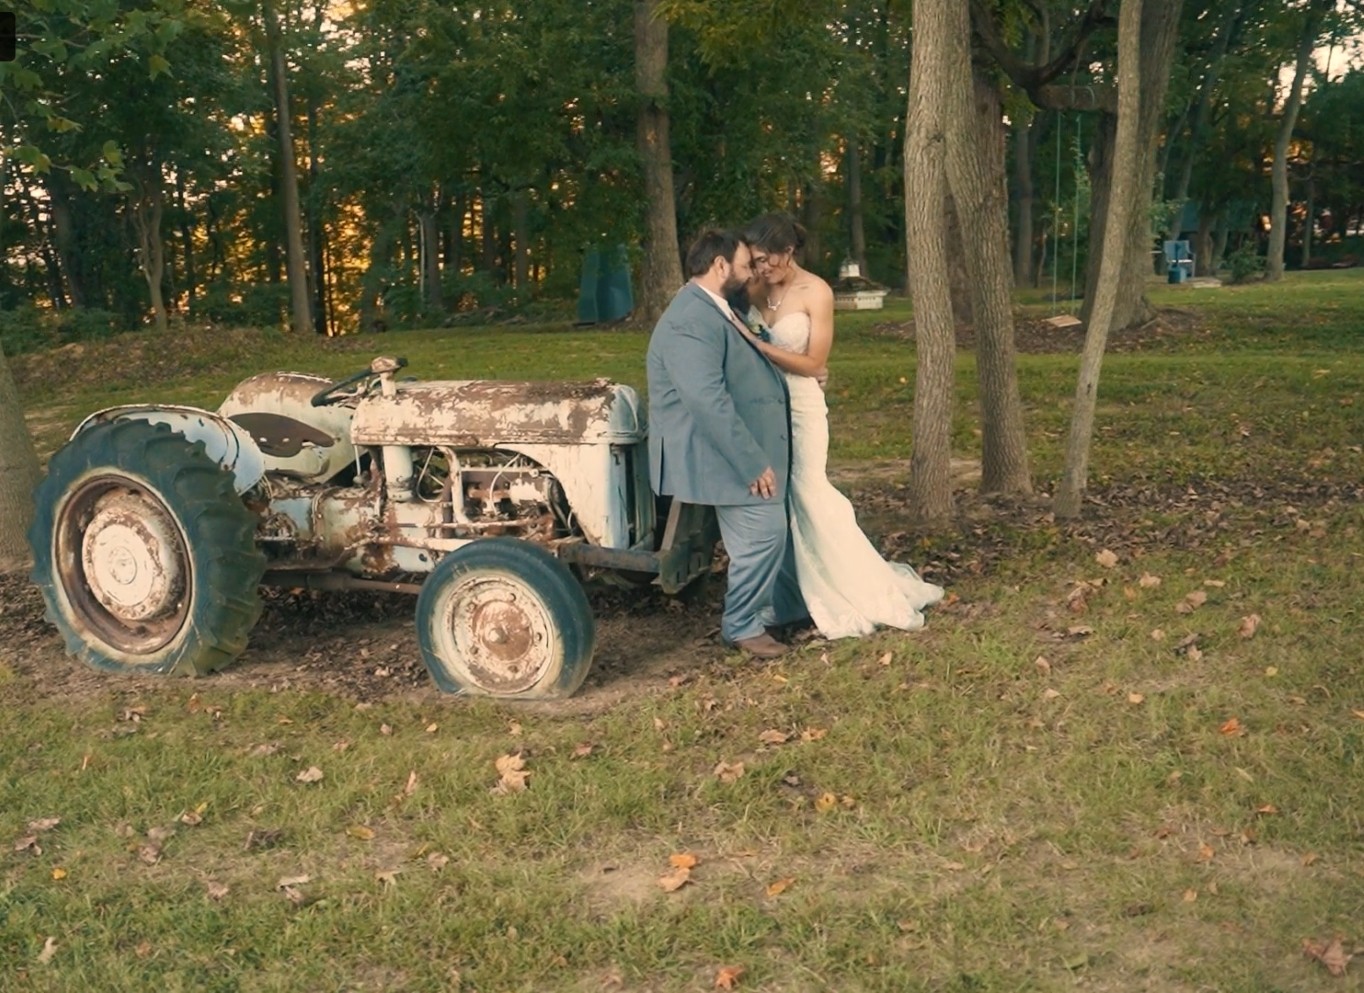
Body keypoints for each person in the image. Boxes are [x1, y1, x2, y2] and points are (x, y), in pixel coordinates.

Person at [738, 212, 944, 639]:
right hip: (764, 409)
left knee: (809, 490)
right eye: (754, 262)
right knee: (782, 500)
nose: (760, 269)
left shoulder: (817, 292)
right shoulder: (755, 288)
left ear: (787, 252)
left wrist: (760, 347)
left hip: (802, 407)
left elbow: (814, 363)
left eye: (765, 260)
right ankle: (792, 594)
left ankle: (853, 588)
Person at [646, 228, 808, 659]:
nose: (752, 273)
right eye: (744, 266)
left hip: (738, 447)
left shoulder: (718, 308)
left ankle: (779, 609)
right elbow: (706, 400)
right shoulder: (688, 320)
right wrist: (751, 462)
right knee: (762, 534)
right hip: (715, 452)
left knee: (770, 532)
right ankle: (742, 626)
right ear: (720, 266)